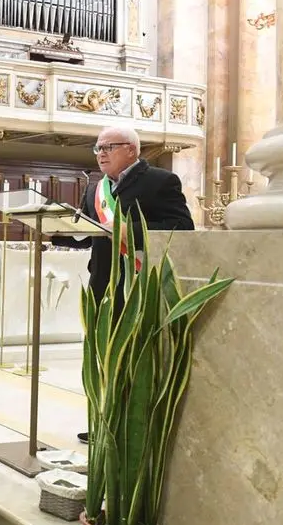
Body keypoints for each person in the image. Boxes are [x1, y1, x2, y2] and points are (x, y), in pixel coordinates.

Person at [51, 125, 194, 443]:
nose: (101, 154)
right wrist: (54, 230)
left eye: (108, 147)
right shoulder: (95, 190)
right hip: (102, 285)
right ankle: (105, 423)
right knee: (104, 358)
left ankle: (134, 429)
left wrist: (134, 232)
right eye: (98, 149)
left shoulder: (160, 181)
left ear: (132, 149)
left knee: (132, 358)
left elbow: (182, 228)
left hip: (137, 285)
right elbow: (91, 235)